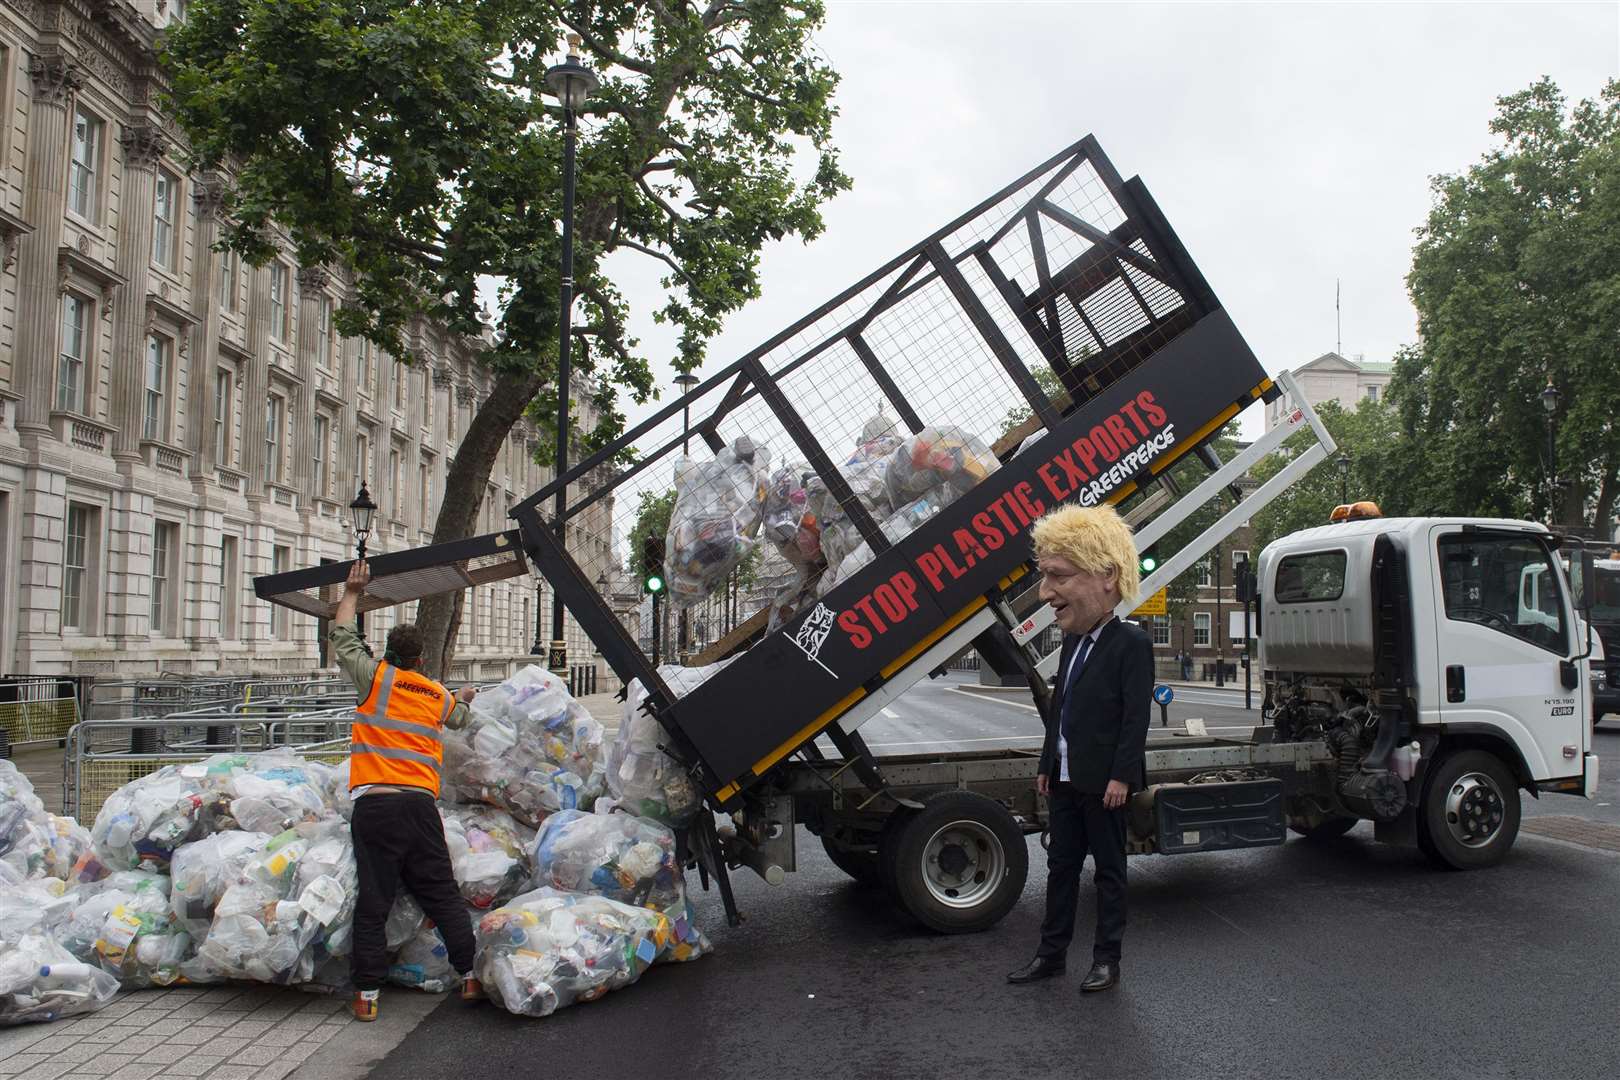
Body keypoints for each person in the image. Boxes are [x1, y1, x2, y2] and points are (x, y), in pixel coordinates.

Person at [1007, 504, 1151, 994]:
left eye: (1058, 576)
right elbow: (1060, 707)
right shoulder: (1070, 643)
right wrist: (1048, 762)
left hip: (1105, 784)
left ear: (1107, 576)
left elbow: (1136, 719)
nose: (1046, 592)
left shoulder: (1130, 644)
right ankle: (1051, 955)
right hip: (1066, 780)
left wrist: (1121, 777)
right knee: (1060, 869)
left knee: (1110, 873)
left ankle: (1107, 960)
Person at [331, 559, 483, 1021]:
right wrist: (466, 697)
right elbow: (460, 714)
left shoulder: (372, 677)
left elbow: (341, 636)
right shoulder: (435, 694)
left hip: (376, 806)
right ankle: (470, 975)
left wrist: (353, 591)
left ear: (388, 652)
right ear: (421, 659)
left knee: (374, 900)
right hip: (420, 808)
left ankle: (367, 995)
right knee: (441, 893)